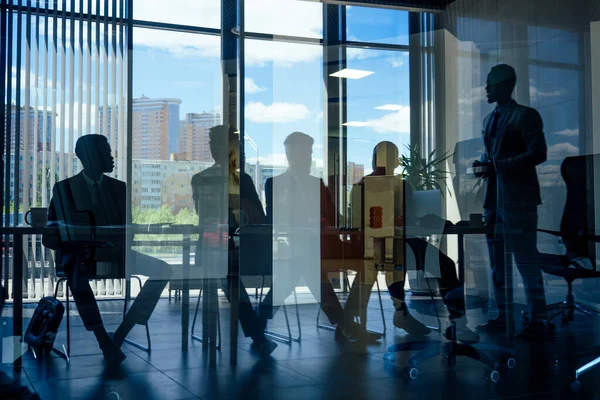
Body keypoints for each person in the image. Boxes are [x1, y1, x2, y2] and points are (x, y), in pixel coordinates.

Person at [43, 134, 172, 365]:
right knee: (75, 266)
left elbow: (126, 228)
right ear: (88, 157)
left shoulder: (119, 188)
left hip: (114, 253)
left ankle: (121, 333)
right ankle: (104, 339)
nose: (112, 158)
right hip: (80, 257)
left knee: (163, 269)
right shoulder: (64, 189)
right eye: (106, 153)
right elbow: (52, 235)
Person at [264, 132, 369, 343]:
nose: (309, 159)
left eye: (310, 153)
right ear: (290, 155)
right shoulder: (275, 183)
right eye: (305, 154)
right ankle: (345, 323)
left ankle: (259, 319)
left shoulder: (317, 183)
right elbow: (273, 219)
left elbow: (332, 217)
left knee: (365, 264)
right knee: (307, 266)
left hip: (320, 246)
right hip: (291, 246)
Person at [473, 64, 550, 337]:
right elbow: (490, 156)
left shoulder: (525, 116)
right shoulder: (488, 120)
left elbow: (538, 153)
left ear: (505, 85)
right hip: (493, 200)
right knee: (497, 263)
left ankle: (538, 319)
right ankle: (503, 315)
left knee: (525, 260)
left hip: (519, 200)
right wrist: (483, 165)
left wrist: (500, 165)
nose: (486, 89)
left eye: (490, 84)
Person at [191, 125, 277, 356]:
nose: (240, 152)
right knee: (229, 275)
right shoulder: (201, 179)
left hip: (245, 248)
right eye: (236, 148)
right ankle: (258, 331)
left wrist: (238, 205)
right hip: (215, 249)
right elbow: (207, 216)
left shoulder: (244, 180)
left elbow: (260, 217)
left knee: (288, 271)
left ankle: (260, 321)